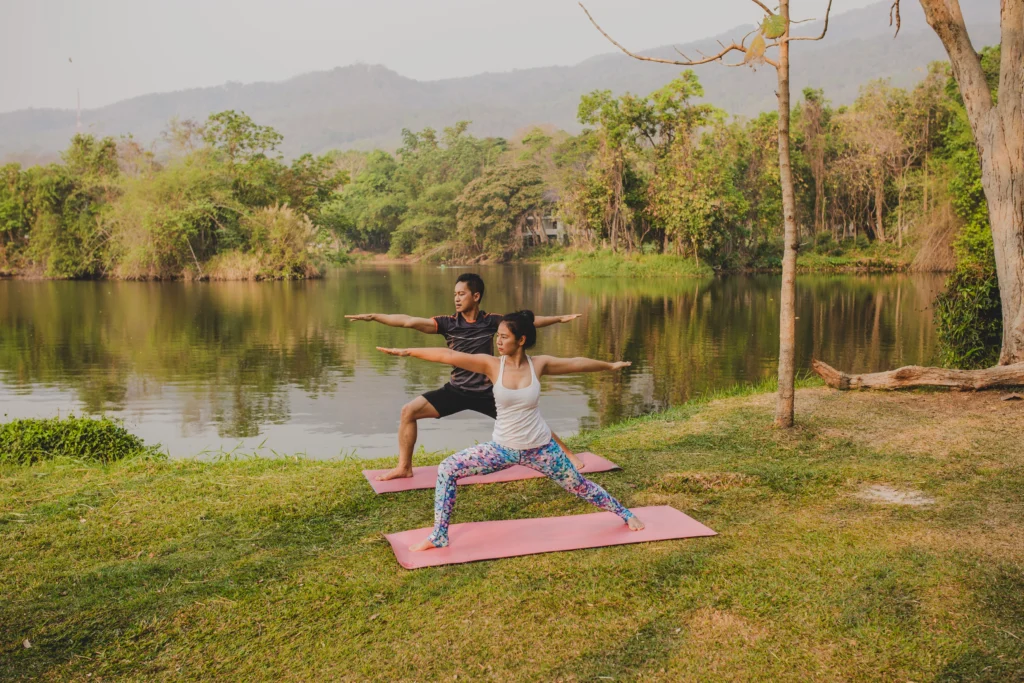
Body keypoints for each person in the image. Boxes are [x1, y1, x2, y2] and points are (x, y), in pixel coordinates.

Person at [378, 310, 644, 551]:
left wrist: (609, 366)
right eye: (498, 336)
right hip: (501, 450)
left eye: (504, 337)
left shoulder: (539, 364)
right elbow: (449, 355)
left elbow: (576, 363)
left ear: (521, 339)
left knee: (579, 485)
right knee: (448, 468)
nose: (498, 341)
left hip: (541, 449)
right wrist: (408, 352)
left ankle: (625, 514)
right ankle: (439, 536)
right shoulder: (492, 365)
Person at [347, 273, 582, 481]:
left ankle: (568, 454)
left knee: (532, 419)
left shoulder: (492, 322)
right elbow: (409, 321)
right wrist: (374, 316)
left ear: (476, 296)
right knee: (409, 411)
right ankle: (404, 467)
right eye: (454, 294)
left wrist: (559, 319)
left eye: (462, 294)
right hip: (456, 390)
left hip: (488, 392)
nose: (456, 298)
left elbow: (528, 323)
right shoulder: (447, 323)